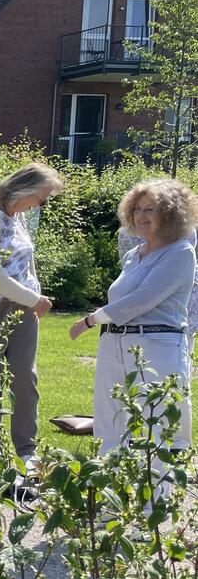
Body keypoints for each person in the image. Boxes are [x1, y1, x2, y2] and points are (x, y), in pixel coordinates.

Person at [70, 179, 198, 452]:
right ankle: (108, 481)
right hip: (115, 343)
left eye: (151, 209)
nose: (141, 216)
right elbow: (122, 298)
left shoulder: (180, 253)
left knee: (160, 416)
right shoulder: (133, 254)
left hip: (157, 345)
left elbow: (141, 301)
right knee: (110, 417)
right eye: (137, 209)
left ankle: (160, 488)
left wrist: (90, 320)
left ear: (170, 213)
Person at [0, 162, 62, 468]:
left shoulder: (18, 217)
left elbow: (27, 263)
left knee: (24, 378)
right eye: (43, 198)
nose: (42, 205)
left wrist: (36, 295)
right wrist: (36, 300)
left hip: (25, 308)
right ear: (27, 188)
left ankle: (27, 449)